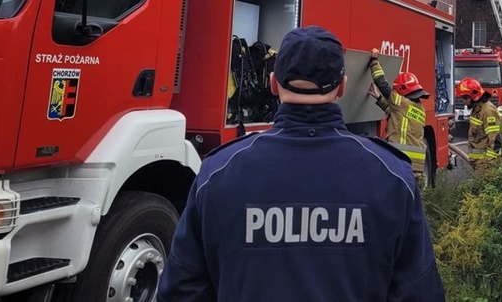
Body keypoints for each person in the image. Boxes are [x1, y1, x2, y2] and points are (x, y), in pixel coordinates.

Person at [158, 26, 445, 302]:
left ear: (273, 83)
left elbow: (181, 290)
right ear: (342, 88)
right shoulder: (393, 177)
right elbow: (419, 292)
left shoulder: (217, 173)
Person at [367, 48, 430, 179]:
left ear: (402, 90)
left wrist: (374, 61)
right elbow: (395, 116)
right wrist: (379, 99)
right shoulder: (419, 108)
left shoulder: (402, 102)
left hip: (401, 162)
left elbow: (382, 83)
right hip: (415, 166)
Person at [454, 77, 500, 165]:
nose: (463, 102)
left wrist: (490, 164)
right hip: (478, 163)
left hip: (485, 165)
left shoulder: (488, 111)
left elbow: (495, 140)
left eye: (465, 98)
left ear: (474, 96)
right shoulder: (477, 110)